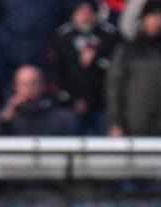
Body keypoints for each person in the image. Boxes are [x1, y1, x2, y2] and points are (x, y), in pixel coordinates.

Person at [106, 0, 161, 136]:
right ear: (144, 18)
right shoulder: (128, 50)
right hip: (132, 125)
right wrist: (116, 122)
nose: (159, 21)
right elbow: (114, 88)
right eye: (154, 16)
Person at [49, 0, 121, 135]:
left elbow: (118, 71)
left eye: (89, 13)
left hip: (103, 106)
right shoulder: (63, 36)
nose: (85, 17)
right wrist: (71, 100)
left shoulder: (109, 35)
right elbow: (54, 73)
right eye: (81, 13)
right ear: (73, 15)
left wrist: (97, 60)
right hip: (70, 107)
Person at [0, 64, 78, 136]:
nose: (30, 89)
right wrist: (3, 119)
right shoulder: (7, 117)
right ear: (16, 87)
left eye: (34, 83)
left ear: (43, 85)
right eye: (25, 84)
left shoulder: (60, 117)